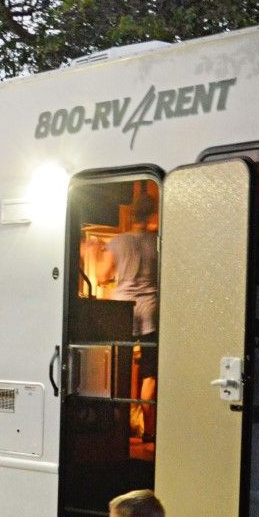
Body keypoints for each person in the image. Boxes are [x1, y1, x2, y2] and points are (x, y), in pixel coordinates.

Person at [96, 181, 159, 441]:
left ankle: (119, 427)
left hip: (122, 310)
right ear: (153, 214)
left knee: (118, 368)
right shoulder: (157, 242)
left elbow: (101, 275)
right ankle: (148, 430)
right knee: (148, 373)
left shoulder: (118, 242)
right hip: (152, 310)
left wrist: (92, 252)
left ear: (131, 214)